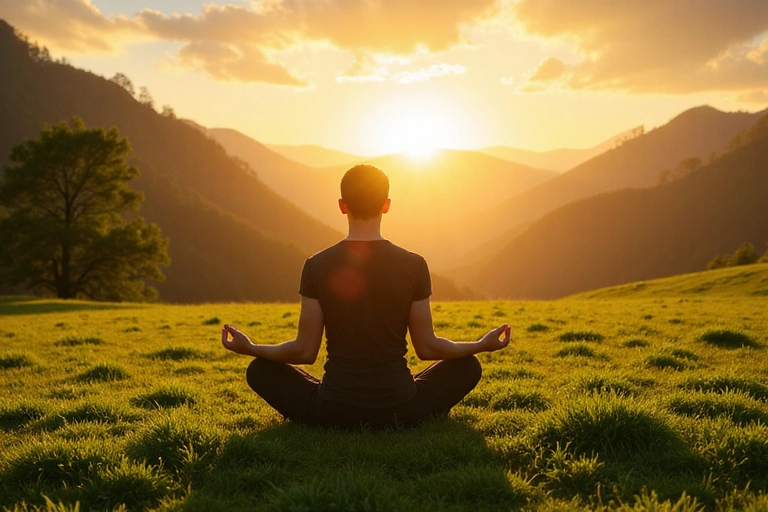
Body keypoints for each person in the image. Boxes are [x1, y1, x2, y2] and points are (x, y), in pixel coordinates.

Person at [221, 164, 511, 428]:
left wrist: (251, 347)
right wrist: (480, 345)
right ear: (386, 205)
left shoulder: (316, 265)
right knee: (468, 365)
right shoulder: (414, 265)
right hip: (402, 407)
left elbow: (304, 352)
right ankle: (413, 414)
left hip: (333, 409)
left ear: (342, 206)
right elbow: (427, 347)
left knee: (259, 370)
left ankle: (325, 414)